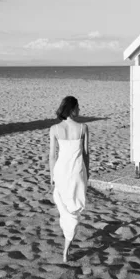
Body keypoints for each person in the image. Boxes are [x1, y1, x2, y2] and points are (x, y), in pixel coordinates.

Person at [49, 96, 89, 262]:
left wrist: (52, 176)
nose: (79, 110)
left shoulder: (54, 129)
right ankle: (66, 248)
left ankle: (66, 242)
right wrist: (88, 173)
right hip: (77, 172)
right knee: (74, 210)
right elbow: (86, 154)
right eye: (78, 107)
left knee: (65, 207)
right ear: (72, 109)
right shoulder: (83, 128)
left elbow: (52, 156)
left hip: (61, 172)